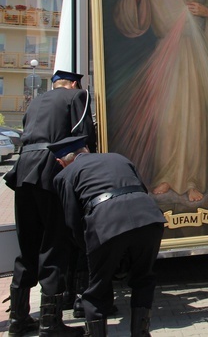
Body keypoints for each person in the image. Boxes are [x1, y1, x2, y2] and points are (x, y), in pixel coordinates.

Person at [111, 0, 208, 202]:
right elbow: (130, 21)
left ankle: (193, 180)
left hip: (195, 60)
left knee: (194, 120)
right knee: (167, 120)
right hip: (165, 60)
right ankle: (165, 177)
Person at [4, 69, 96, 337]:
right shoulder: (78, 96)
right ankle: (50, 324)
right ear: (74, 84)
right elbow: (83, 137)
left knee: (28, 246)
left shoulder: (36, 101)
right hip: (51, 170)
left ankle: (18, 320)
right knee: (54, 243)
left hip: (23, 172)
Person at [50, 136, 165, 337]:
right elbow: (142, 189)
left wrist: (87, 247)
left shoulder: (65, 175)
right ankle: (141, 333)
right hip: (149, 219)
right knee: (143, 279)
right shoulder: (118, 158)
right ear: (85, 149)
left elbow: (72, 219)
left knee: (97, 289)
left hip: (106, 223)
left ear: (61, 162)